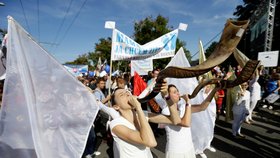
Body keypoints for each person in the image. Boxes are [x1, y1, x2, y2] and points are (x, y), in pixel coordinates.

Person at [154, 84, 220, 158]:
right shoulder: (166, 111)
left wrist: (214, 90)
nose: (178, 93)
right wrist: (188, 102)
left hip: (189, 147)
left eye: (178, 91)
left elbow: (202, 107)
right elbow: (185, 123)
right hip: (176, 151)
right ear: (167, 96)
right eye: (175, 92)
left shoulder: (183, 107)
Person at [110, 88, 157, 158]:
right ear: (116, 107)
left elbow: (174, 120)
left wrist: (166, 96)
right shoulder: (116, 124)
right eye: (121, 95)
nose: (127, 94)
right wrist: (138, 107)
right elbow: (151, 142)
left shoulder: (140, 115)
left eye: (127, 92)